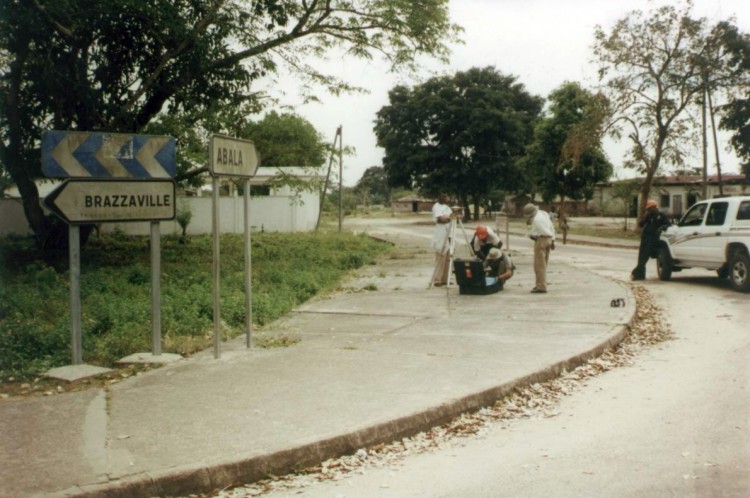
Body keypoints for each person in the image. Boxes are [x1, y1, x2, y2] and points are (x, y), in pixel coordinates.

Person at [631, 199, 671, 281]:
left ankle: (636, 273)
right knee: (641, 257)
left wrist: (662, 227)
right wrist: (645, 216)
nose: (649, 210)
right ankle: (640, 275)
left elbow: (668, 224)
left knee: (645, 257)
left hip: (653, 239)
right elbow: (641, 224)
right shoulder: (648, 216)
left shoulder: (661, 215)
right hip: (645, 238)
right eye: (648, 209)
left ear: (654, 207)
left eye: (650, 209)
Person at [524, 203, 556, 294]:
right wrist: (553, 240)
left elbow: (540, 232)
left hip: (541, 240)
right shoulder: (544, 214)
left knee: (539, 265)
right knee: (544, 264)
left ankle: (541, 286)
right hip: (549, 239)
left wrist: (531, 235)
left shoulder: (536, 220)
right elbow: (551, 228)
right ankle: (542, 283)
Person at [431, 193, 454, 286]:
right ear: (439, 197)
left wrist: (449, 218)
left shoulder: (447, 207)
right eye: (444, 196)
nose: (446, 198)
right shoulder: (436, 207)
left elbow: (451, 217)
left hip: (449, 233)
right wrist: (449, 218)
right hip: (441, 234)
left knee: (448, 259)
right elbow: (440, 219)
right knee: (440, 257)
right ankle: (437, 280)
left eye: (446, 196)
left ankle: (445, 279)